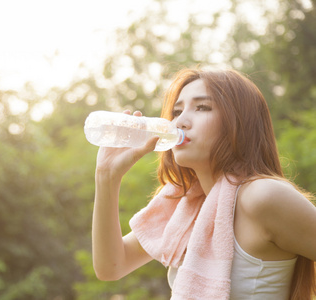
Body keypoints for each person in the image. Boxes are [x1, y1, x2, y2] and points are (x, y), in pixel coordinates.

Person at [91, 68, 316, 299]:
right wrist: (106, 177)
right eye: (177, 111)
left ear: (239, 122)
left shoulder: (262, 196)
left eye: (202, 107)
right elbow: (111, 267)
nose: (180, 121)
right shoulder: (185, 204)